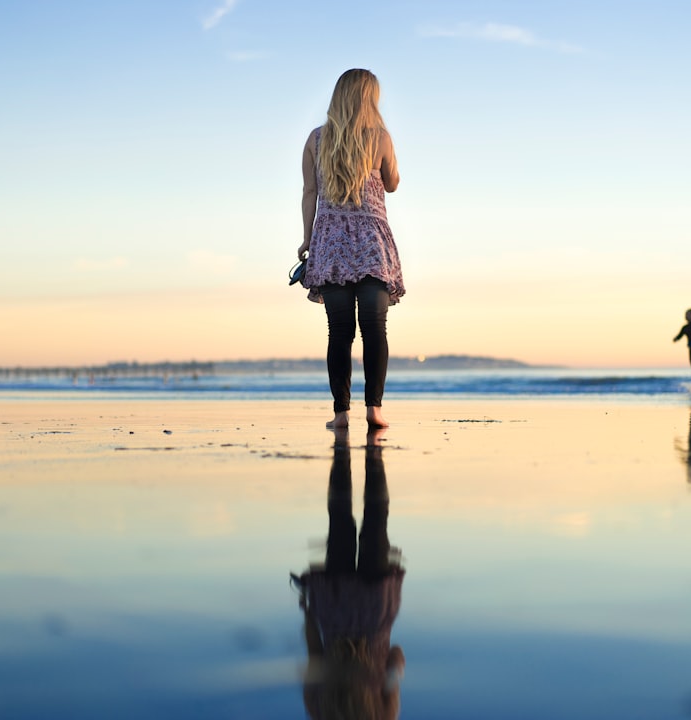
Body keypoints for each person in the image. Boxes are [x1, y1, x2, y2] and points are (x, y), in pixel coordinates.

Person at [297, 69, 404, 429]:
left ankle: (341, 414)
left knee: (339, 332)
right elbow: (393, 184)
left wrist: (307, 239)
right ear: (369, 98)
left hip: (330, 242)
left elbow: (309, 193)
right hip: (372, 242)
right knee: (375, 327)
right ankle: (374, 410)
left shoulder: (315, 140)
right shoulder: (381, 138)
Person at [293, 428, 405, 719]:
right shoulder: (318, 712)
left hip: (375, 609)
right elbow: (314, 655)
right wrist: (308, 611)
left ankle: (374, 454)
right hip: (335, 609)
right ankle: (344, 454)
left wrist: (390, 671)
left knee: (376, 518)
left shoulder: (384, 717)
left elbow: (396, 657)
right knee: (340, 520)